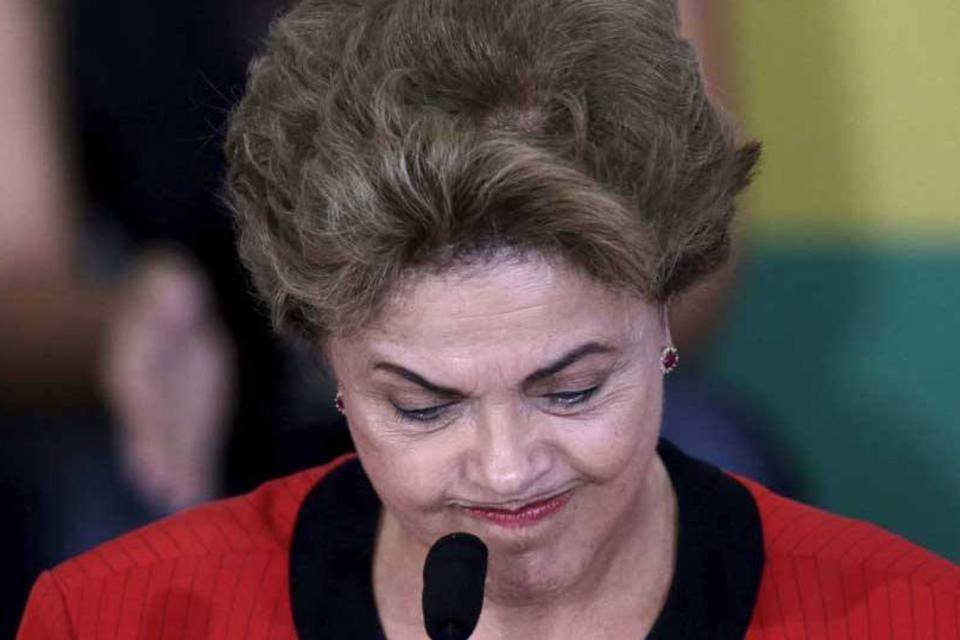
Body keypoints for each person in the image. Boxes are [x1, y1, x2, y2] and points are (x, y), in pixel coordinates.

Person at [17, 0, 958, 637]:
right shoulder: (112, 616)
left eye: (574, 389)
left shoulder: (908, 616)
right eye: (424, 406)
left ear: (662, 317)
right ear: (329, 355)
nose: (506, 471)